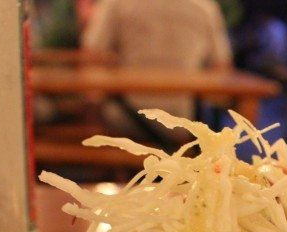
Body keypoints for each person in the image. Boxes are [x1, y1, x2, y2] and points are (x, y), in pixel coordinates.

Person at [82, 0, 232, 139]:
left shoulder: (116, 3)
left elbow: (92, 55)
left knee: (94, 110)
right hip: (183, 118)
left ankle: (107, 165)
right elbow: (221, 65)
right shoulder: (204, 6)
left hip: (124, 116)